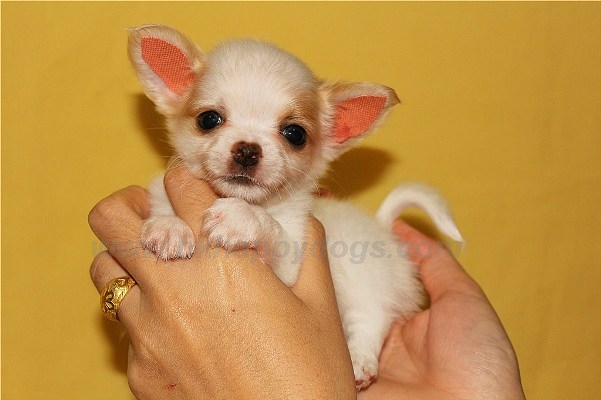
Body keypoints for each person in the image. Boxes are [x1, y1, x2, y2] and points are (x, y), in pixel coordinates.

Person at [89, 165, 526, 399]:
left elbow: (283, 271)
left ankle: (367, 339)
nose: (247, 151)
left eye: (292, 134)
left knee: (348, 250)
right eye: (211, 119)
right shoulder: (171, 190)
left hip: (359, 307)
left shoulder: (306, 218)